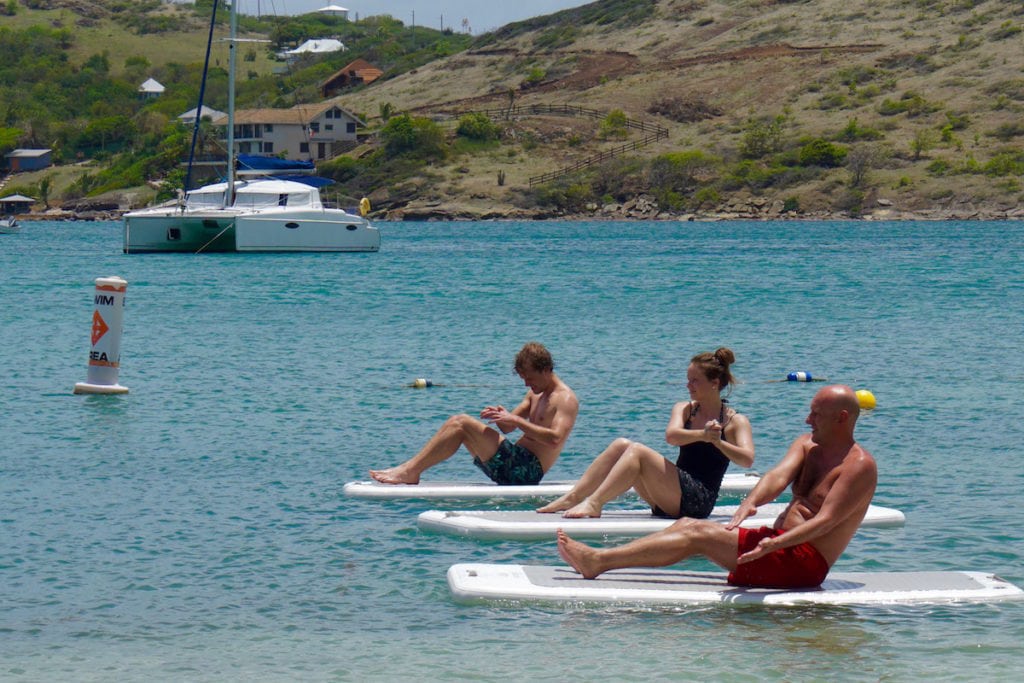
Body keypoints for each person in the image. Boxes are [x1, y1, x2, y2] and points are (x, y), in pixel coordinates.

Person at [556, 385, 877, 589]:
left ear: (842, 418)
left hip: (804, 563)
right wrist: (750, 503)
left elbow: (825, 521)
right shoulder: (807, 445)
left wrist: (772, 546)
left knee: (699, 535)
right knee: (687, 524)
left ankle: (598, 562)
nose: (808, 420)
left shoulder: (859, 466)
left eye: (816, 415)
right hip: (778, 545)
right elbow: (775, 478)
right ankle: (602, 560)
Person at [537, 348, 754, 519]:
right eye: (688, 379)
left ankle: (595, 503)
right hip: (668, 496)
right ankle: (573, 497)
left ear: (715, 383)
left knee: (638, 452)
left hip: (697, 501)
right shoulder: (685, 408)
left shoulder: (735, 421)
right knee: (622, 444)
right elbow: (672, 436)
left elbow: (747, 460)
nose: (688, 385)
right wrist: (703, 435)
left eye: (695, 380)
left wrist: (718, 442)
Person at [369, 342, 579, 486]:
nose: (526, 384)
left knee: (461, 422)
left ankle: (409, 472)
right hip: (513, 464)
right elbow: (508, 427)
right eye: (523, 378)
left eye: (530, 378)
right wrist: (502, 416)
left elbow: (555, 439)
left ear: (546, 369)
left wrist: (515, 420)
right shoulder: (535, 394)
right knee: (457, 424)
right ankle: (409, 468)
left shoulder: (565, 398)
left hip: (527, 472)